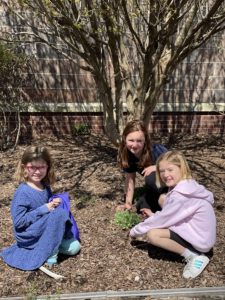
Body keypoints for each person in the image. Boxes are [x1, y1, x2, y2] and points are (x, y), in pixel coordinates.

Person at [129, 150, 216, 279]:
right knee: (163, 199)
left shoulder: (181, 196)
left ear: (182, 169)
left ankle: (194, 257)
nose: (165, 175)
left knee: (153, 235)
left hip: (200, 243)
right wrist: (154, 215)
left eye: (170, 170)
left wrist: (135, 231)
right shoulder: (188, 186)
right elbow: (171, 214)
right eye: (162, 171)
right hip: (200, 235)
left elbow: (164, 219)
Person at [0, 146, 81, 271]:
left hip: (43, 230)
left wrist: (53, 203)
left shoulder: (45, 186)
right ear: (24, 167)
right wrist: (45, 208)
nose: (37, 171)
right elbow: (19, 222)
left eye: (41, 167)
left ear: (47, 167)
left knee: (75, 247)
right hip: (29, 235)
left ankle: (50, 244)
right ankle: (50, 254)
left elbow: (48, 210)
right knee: (59, 214)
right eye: (33, 167)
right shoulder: (23, 192)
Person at [117, 119, 168, 212]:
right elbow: (130, 179)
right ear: (125, 139)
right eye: (131, 140)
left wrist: (157, 167)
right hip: (156, 190)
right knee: (141, 205)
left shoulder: (156, 150)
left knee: (150, 177)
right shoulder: (128, 155)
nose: (135, 145)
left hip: (174, 186)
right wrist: (128, 203)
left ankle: (171, 201)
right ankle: (162, 205)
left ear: (145, 140)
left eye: (139, 141)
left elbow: (180, 167)